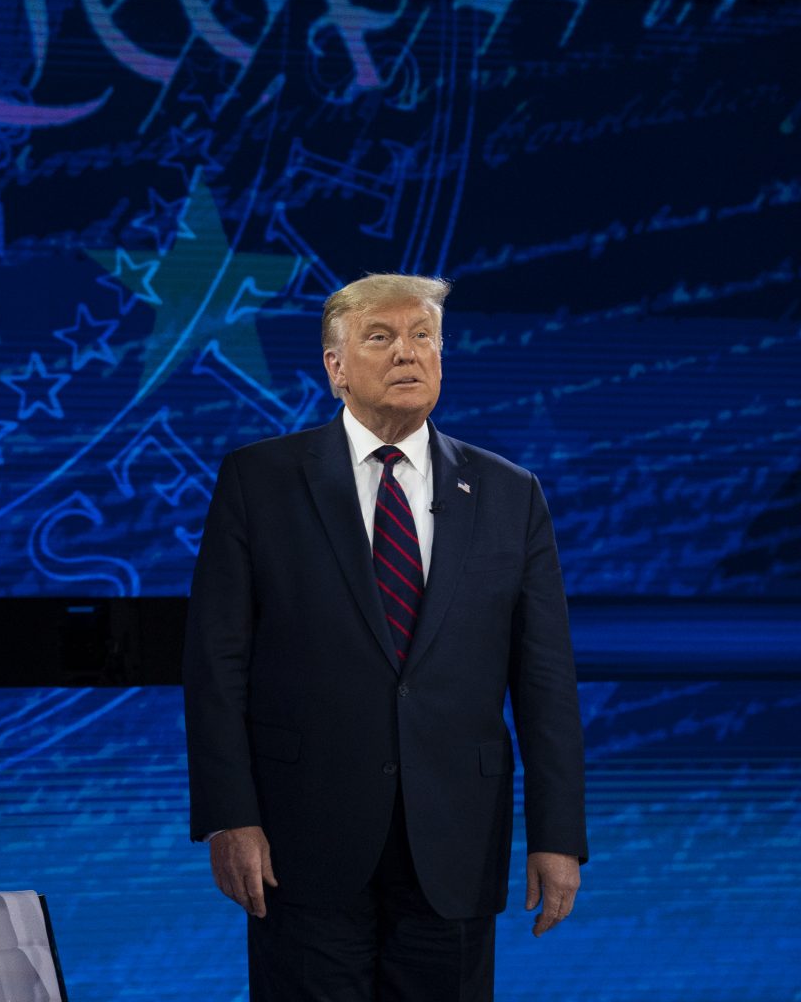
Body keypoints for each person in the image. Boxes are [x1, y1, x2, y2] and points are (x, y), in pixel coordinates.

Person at [182, 273, 587, 1001]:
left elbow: (546, 679)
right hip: (300, 842)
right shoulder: (260, 481)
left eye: (423, 336)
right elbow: (216, 664)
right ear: (335, 367)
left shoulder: (509, 492)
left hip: (457, 841)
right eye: (381, 337)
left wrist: (557, 835)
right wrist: (229, 816)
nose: (408, 353)